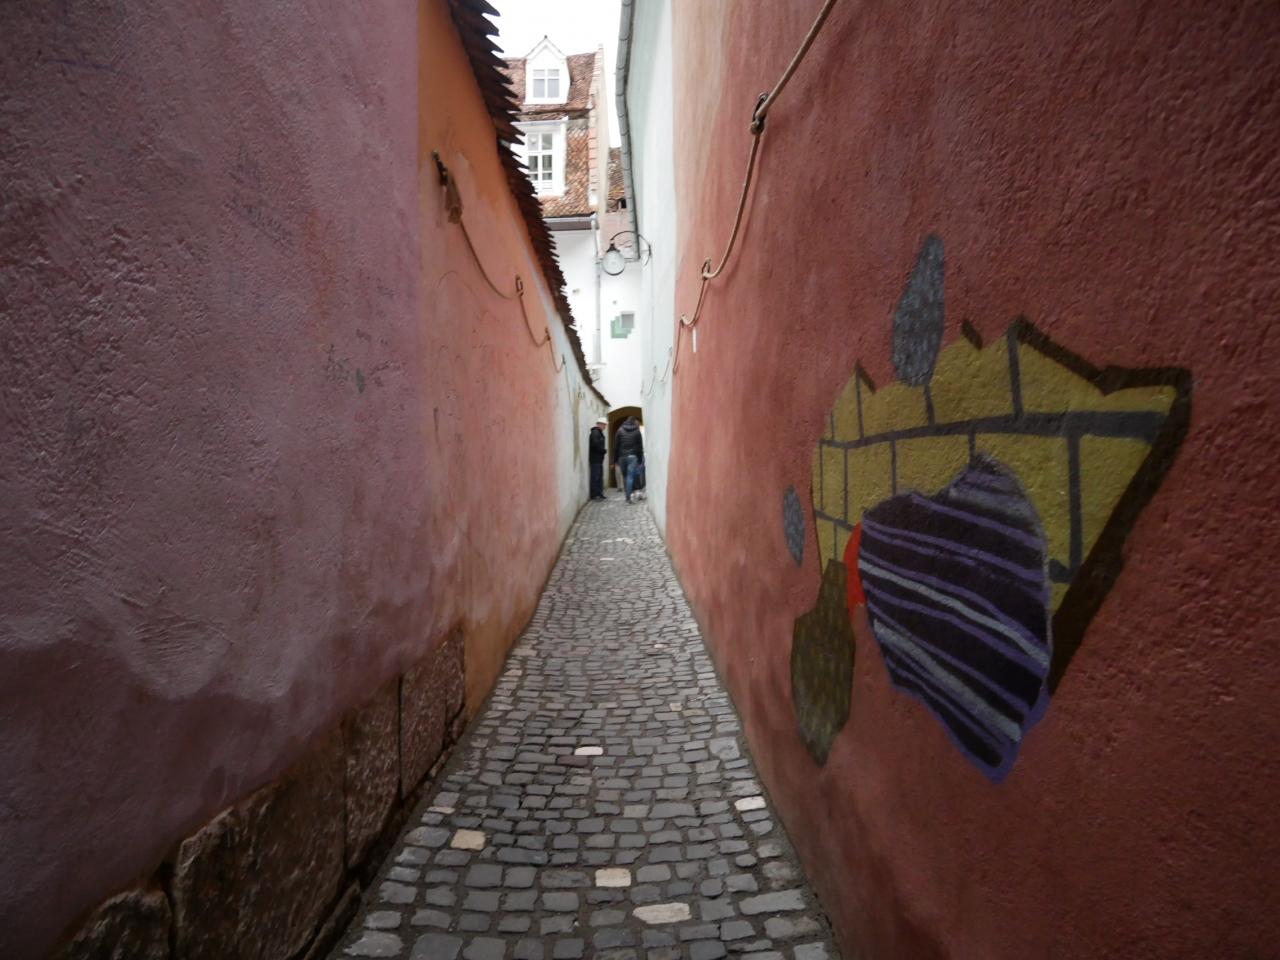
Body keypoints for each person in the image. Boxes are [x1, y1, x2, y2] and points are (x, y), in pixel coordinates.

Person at [611, 415, 644, 503]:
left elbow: (616, 446)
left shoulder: (620, 430)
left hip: (622, 457)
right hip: (632, 457)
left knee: (625, 476)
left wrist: (614, 460)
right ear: (634, 422)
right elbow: (640, 447)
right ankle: (629, 497)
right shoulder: (637, 431)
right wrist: (640, 460)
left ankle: (627, 496)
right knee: (630, 477)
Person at [588, 418, 607, 500]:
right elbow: (595, 445)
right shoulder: (595, 433)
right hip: (595, 458)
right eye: (604, 425)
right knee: (595, 477)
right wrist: (603, 450)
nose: (605, 426)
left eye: (605, 425)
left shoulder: (599, 433)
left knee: (599, 477)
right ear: (599, 424)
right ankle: (595, 495)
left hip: (599, 459)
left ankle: (599, 493)